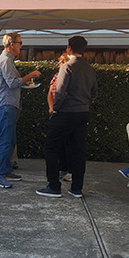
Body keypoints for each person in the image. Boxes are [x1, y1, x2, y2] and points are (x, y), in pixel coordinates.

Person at [37, 35, 97, 198]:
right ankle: (76, 188)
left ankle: (54, 186)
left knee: (51, 147)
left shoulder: (67, 67)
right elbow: (94, 93)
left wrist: (55, 108)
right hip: (82, 112)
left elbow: (60, 91)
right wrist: (85, 103)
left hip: (65, 112)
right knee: (78, 150)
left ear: (69, 48)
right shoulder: (89, 69)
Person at [0, 33, 41, 189]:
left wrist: (25, 82)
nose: (21, 46)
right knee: (5, 141)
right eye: (20, 43)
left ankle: (5, 170)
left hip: (7, 104)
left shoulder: (7, 60)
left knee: (10, 140)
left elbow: (9, 84)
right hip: (5, 105)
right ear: (11, 44)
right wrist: (30, 75)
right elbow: (12, 83)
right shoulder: (6, 61)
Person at [48, 53, 72, 183]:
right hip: (56, 112)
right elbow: (50, 91)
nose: (61, 62)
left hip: (66, 112)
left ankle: (70, 170)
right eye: (60, 60)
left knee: (69, 142)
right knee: (59, 143)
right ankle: (62, 168)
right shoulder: (56, 76)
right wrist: (51, 107)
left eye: (64, 60)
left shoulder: (71, 76)